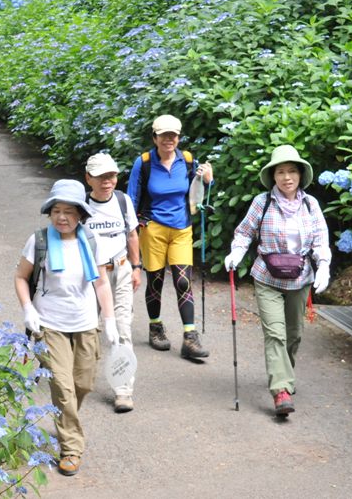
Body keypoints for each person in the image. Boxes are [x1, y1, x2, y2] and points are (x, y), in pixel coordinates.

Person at [13, 179, 119, 477]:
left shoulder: (93, 242)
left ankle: (66, 420)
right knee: (62, 385)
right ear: (49, 212)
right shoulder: (39, 241)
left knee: (82, 385)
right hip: (50, 325)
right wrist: (28, 309)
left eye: (69, 211)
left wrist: (109, 320)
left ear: (80, 215)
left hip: (86, 324)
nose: (62, 217)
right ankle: (71, 448)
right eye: (56, 210)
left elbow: (101, 283)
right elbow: (21, 277)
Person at [223, 144, 331, 417]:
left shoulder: (311, 204)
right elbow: (245, 232)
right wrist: (237, 251)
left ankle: (284, 374)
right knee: (275, 333)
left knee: (294, 334)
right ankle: (280, 390)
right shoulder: (262, 202)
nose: (286, 177)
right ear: (273, 176)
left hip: (300, 278)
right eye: (281, 172)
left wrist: (324, 266)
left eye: (292, 171)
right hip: (267, 277)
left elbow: (320, 239)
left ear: (300, 175)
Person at [127, 114, 213, 361]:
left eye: (173, 135)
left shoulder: (187, 161)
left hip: (181, 229)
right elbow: (132, 197)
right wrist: (131, 230)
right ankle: (156, 327)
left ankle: (190, 337)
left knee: (183, 281)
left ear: (178, 137)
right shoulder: (143, 162)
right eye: (164, 135)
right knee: (155, 280)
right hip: (152, 228)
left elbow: (200, 191)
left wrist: (209, 179)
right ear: (154, 137)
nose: (169, 139)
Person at [83, 153, 142, 413]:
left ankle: (123, 389)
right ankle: (81, 381)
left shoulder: (123, 200)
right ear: (88, 178)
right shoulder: (80, 205)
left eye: (112, 176)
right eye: (101, 177)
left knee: (122, 328)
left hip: (120, 270)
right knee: (89, 330)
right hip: (92, 276)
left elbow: (132, 234)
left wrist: (136, 267)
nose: (108, 181)